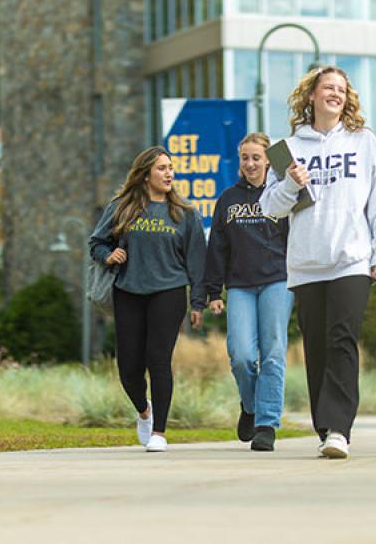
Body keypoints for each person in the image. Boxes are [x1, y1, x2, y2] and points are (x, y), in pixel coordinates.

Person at [260, 65, 376, 460]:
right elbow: (270, 208)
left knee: (342, 339)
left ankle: (339, 428)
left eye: (341, 89)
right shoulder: (288, 148)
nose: (335, 94)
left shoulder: (363, 141)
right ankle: (325, 427)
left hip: (351, 258)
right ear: (312, 96)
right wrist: (290, 183)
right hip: (306, 263)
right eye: (327, 88)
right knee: (317, 347)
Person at [90, 146, 207, 453]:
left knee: (158, 359)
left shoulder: (185, 214)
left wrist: (198, 303)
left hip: (168, 292)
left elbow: (197, 262)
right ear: (145, 175)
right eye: (161, 168)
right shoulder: (121, 207)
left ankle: (160, 432)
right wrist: (108, 255)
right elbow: (97, 243)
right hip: (128, 292)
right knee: (128, 368)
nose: (169, 173)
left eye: (170, 167)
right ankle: (144, 410)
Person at [200, 132, 293, 452]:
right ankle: (250, 406)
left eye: (256, 157)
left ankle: (266, 423)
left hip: (278, 280)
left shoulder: (282, 194)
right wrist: (213, 292)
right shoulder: (227, 199)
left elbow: (299, 238)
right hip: (239, 285)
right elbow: (217, 249)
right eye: (245, 158)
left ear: (268, 160)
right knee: (240, 355)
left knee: (273, 353)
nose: (250, 163)